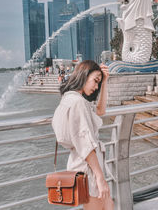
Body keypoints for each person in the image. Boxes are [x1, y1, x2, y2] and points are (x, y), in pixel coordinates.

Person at [52, 60, 114, 210]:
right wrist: (99, 177)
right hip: (88, 169)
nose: (96, 86)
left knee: (108, 206)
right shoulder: (78, 103)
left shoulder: (68, 99)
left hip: (80, 165)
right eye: (95, 81)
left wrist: (104, 82)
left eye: (98, 82)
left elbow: (100, 111)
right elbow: (85, 144)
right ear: (84, 75)